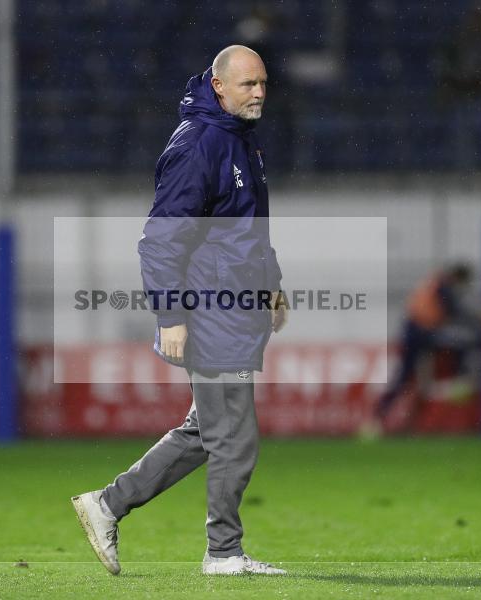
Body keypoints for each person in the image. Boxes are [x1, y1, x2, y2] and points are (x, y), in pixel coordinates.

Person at [71, 45, 288, 577]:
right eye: (247, 85)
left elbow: (247, 231)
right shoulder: (200, 145)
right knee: (235, 436)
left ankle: (107, 504)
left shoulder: (239, 140)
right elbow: (161, 241)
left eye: (263, 83)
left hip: (237, 310)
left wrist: (272, 285)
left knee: (205, 431)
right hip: (210, 312)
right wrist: (171, 314)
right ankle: (223, 553)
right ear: (219, 87)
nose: (259, 93)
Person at [373, 263, 481, 429]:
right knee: (468, 342)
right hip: (424, 333)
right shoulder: (444, 287)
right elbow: (454, 310)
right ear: (459, 278)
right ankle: (460, 379)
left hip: (412, 332)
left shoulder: (433, 282)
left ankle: (378, 418)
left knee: (404, 377)